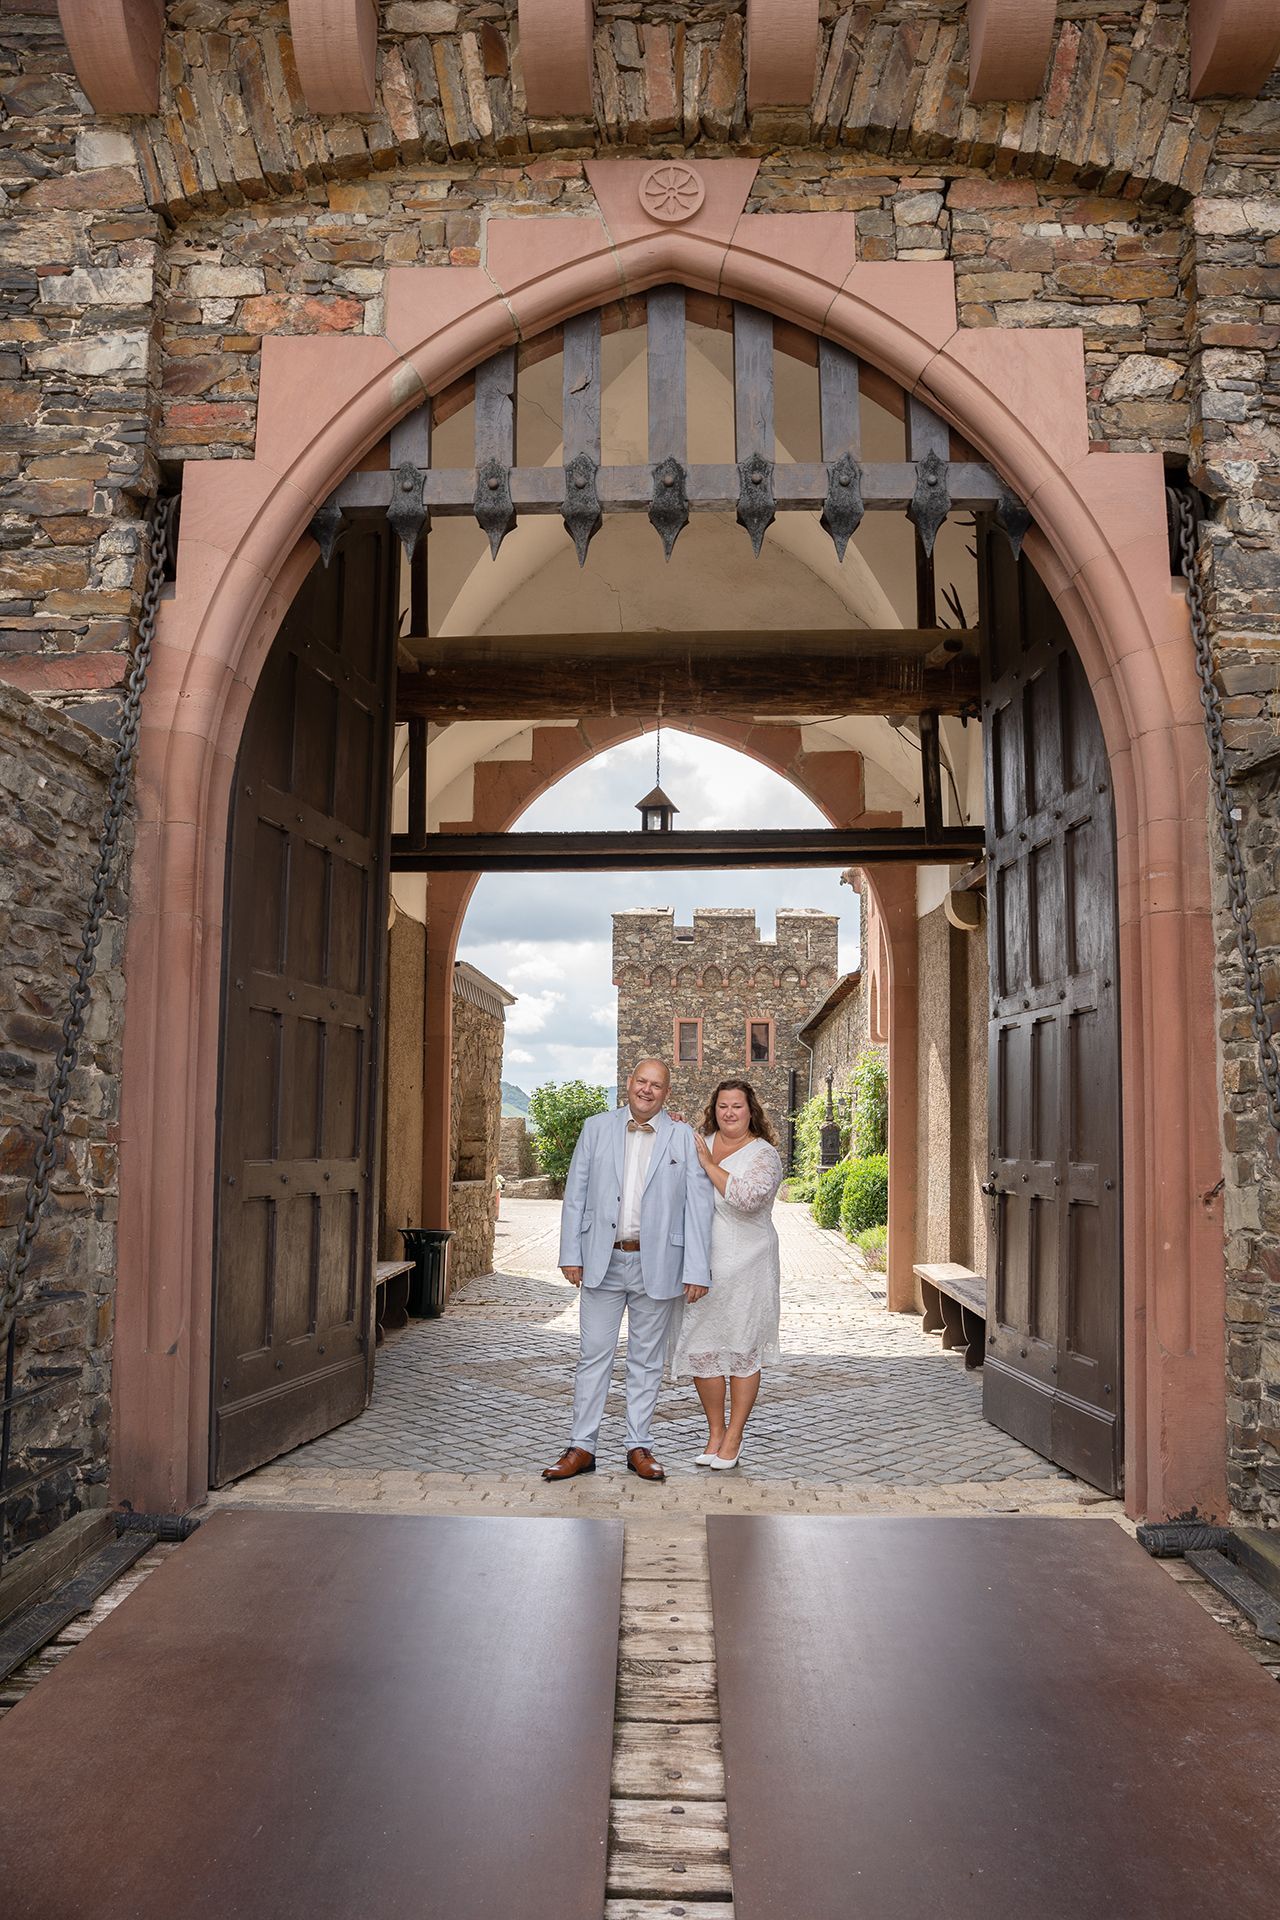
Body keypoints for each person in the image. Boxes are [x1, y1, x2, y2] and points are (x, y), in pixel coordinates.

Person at [543, 1058, 714, 1484]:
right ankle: (582, 1446)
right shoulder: (596, 1127)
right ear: (629, 1082)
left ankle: (638, 1445)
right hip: (602, 1260)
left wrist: (697, 1269)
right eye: (642, 1081)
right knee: (592, 1356)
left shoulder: (682, 1137)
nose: (648, 1090)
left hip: (659, 1265)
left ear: (666, 1093)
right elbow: (576, 1194)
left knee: (647, 1361)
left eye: (657, 1085)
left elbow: (698, 1206)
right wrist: (571, 1253)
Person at [670, 1078, 784, 1469]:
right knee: (702, 1349)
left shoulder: (763, 1154)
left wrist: (707, 1164)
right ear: (713, 1109)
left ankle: (734, 1437)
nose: (729, 1113)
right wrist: (676, 1129)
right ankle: (714, 1433)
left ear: (751, 1110)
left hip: (750, 1261)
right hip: (704, 1264)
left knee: (740, 1349)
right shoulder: (700, 1140)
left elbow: (749, 1200)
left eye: (737, 1106)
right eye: (722, 1106)